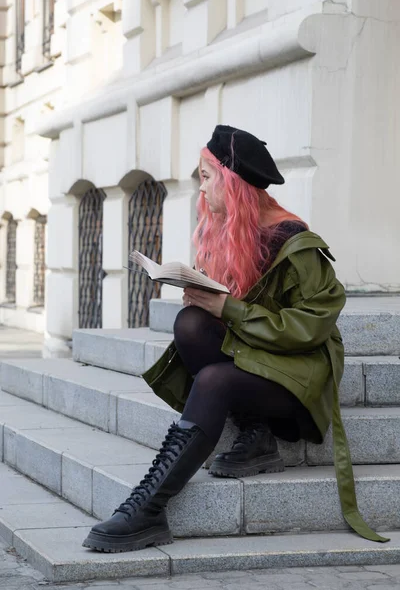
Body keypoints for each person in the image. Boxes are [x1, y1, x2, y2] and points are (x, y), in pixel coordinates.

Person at [83, 125, 389, 553]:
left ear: (232, 181)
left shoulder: (296, 243)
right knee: (190, 323)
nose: (201, 189)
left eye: (206, 177)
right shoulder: (230, 231)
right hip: (262, 363)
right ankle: (255, 433)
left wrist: (228, 309)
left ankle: (148, 509)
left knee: (214, 380)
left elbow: (310, 327)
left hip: (300, 380)